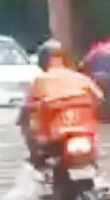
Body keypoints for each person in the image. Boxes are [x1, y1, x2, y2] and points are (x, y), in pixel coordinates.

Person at [19, 40, 103, 168]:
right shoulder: (81, 78)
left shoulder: (40, 80)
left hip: (54, 136)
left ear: (43, 60)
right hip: (84, 134)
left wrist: (23, 120)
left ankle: (36, 160)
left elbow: (26, 107)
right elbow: (99, 98)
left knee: (31, 132)